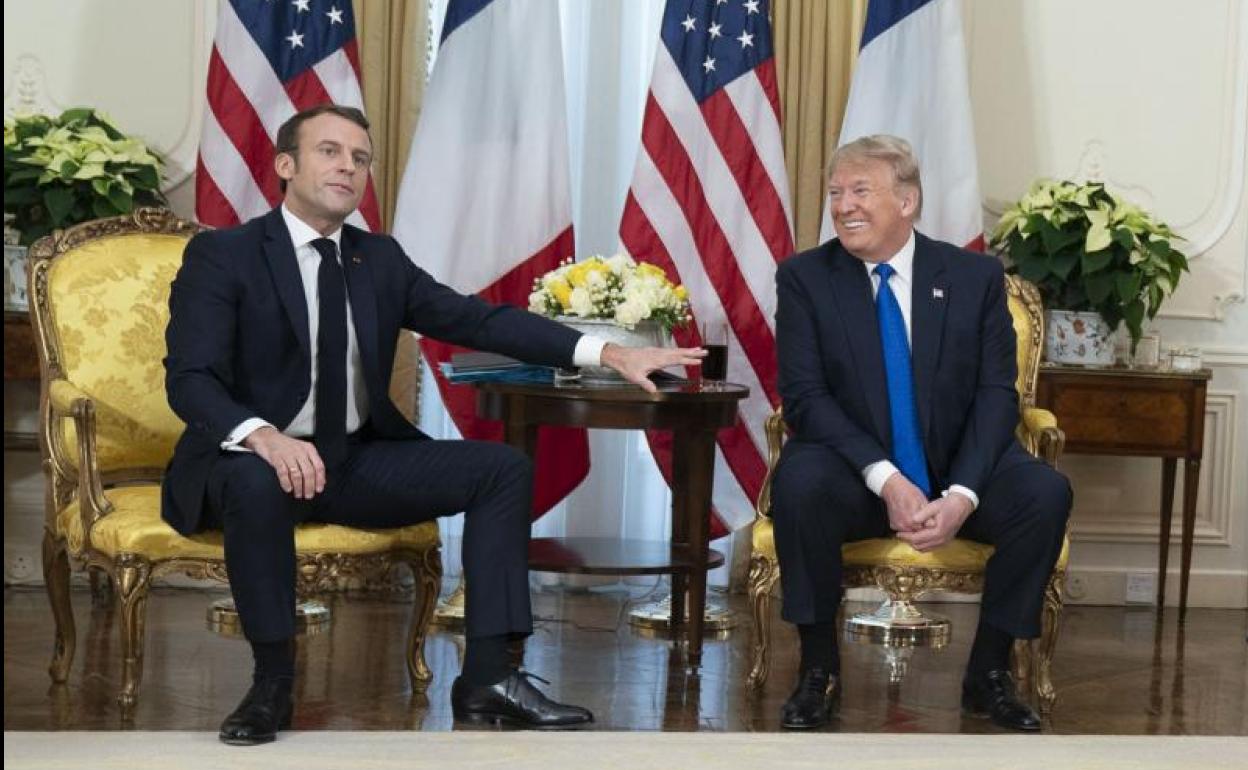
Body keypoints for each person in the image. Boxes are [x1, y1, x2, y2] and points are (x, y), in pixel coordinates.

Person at [162, 104, 702, 745]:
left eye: (360, 158)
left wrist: (608, 352)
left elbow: (480, 322)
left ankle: (489, 678)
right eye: (329, 151)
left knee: (499, 469)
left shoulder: (378, 259)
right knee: (256, 483)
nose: (347, 167)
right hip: (249, 462)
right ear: (286, 165)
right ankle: (272, 682)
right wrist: (264, 437)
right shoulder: (225, 255)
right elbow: (189, 378)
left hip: (350, 460)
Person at [771, 135, 1071, 732]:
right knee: (799, 483)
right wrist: (886, 479)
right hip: (854, 469)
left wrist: (962, 495)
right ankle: (818, 670)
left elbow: (995, 395)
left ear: (907, 202)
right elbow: (806, 399)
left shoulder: (973, 276)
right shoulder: (806, 277)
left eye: (860, 191)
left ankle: (988, 672)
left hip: (956, 461)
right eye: (836, 193)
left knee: (1044, 494)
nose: (843, 206)